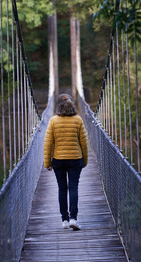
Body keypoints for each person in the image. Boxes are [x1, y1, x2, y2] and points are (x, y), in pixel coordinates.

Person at [43, 94, 88, 230]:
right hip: (75, 159)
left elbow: (48, 143)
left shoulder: (53, 121)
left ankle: (64, 220)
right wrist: (84, 161)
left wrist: (47, 163)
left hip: (58, 160)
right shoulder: (78, 120)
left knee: (62, 189)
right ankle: (73, 218)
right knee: (73, 187)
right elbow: (84, 143)